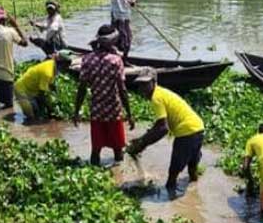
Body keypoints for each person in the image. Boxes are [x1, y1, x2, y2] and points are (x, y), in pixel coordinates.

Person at [127, 69, 205, 198]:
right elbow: (159, 125)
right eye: (140, 84)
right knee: (192, 167)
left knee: (173, 173)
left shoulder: (156, 97)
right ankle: (194, 198)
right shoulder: (161, 93)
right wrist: (143, 139)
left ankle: (171, 199)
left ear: (154, 82)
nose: (142, 88)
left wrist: (142, 143)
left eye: (146, 84)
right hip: (198, 128)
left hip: (186, 132)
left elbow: (162, 128)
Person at [73, 25, 134, 165]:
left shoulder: (87, 60)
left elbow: (82, 88)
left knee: (96, 149)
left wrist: (76, 111)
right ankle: (119, 174)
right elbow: (122, 90)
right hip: (113, 110)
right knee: (118, 149)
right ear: (112, 42)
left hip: (96, 110)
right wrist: (129, 114)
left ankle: (95, 171)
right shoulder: (115, 61)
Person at [15, 50, 74, 122]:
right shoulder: (48, 72)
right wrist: (51, 110)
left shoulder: (52, 64)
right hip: (21, 91)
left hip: (32, 89)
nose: (67, 69)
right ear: (61, 64)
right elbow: (42, 95)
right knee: (32, 117)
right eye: (66, 66)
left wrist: (54, 90)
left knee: (39, 112)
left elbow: (49, 85)